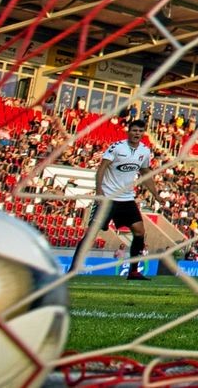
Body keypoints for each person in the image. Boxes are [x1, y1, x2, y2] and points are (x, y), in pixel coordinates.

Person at [71, 120, 159, 281]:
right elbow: (102, 168)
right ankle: (73, 269)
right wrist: (99, 190)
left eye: (140, 131)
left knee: (140, 232)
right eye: (134, 130)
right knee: (91, 234)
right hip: (109, 198)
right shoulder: (117, 147)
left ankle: (133, 271)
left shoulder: (144, 151)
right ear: (129, 132)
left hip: (127, 199)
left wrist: (156, 194)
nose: (137, 133)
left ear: (143, 133)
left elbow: (145, 172)